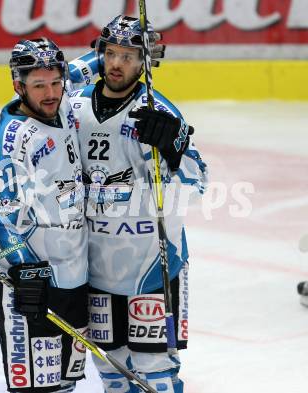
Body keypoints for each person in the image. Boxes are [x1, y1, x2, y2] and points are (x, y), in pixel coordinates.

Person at [67, 15, 208, 393]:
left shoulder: (159, 113)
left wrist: (174, 151)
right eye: (110, 54)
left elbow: (198, 184)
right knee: (110, 368)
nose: (116, 64)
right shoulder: (72, 106)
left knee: (156, 371)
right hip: (95, 267)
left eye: (129, 56)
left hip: (150, 267)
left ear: (146, 61)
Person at [0, 38, 88, 393]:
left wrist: (124, 51)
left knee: (65, 385)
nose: (51, 92)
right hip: (32, 284)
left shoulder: (63, 99)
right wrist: (24, 269)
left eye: (56, 82)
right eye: (39, 86)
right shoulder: (10, 141)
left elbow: (90, 67)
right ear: (18, 85)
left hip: (74, 272)